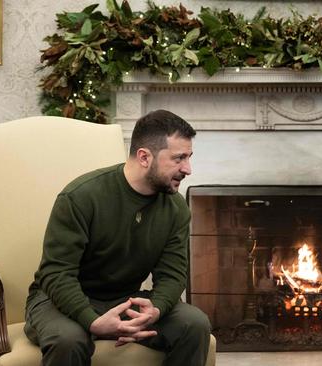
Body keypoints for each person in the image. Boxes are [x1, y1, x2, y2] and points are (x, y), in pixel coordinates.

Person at [24, 110, 211, 366]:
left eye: (189, 158)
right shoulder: (81, 196)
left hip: (125, 298)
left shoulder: (176, 208)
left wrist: (154, 309)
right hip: (59, 300)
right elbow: (56, 273)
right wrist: (91, 320)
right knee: (68, 340)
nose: (188, 169)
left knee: (195, 324)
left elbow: (173, 274)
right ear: (144, 157)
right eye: (179, 158)